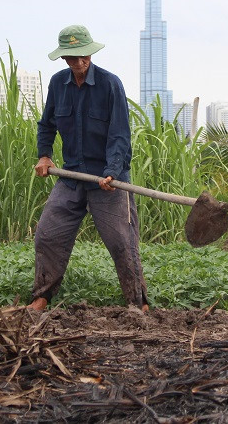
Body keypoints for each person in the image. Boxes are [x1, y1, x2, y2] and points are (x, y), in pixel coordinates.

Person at [28, 24, 149, 312]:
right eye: (72, 57)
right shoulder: (58, 84)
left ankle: (138, 303)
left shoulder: (110, 84)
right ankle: (41, 297)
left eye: (83, 55)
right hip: (71, 176)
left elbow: (119, 133)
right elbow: (47, 125)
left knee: (122, 240)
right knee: (47, 233)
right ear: (64, 58)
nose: (79, 62)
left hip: (107, 177)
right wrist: (44, 156)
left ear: (90, 53)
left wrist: (113, 171)